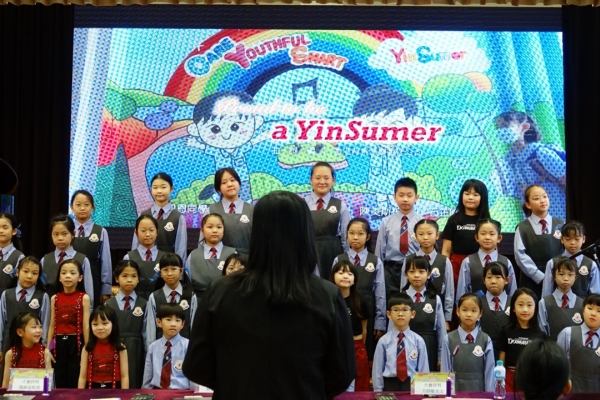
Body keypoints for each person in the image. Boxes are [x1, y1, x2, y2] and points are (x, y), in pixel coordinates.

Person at [183, 190, 355, 399]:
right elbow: (342, 374)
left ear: (256, 233)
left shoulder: (220, 291)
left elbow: (197, 366)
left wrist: (233, 383)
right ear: (306, 234)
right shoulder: (327, 296)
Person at [332, 217, 386, 359]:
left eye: (360, 233)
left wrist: (380, 322)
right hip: (344, 308)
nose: (355, 237)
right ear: (346, 235)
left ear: (368, 237)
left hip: (367, 311)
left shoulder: (375, 261)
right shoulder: (339, 259)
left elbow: (380, 294)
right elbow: (332, 289)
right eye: (351, 233)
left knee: (365, 353)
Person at [401, 219, 454, 329]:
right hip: (411, 313)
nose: (425, 237)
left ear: (437, 235)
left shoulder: (444, 261)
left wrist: (447, 318)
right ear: (415, 236)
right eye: (421, 234)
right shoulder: (408, 260)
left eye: (430, 233)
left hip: (437, 314)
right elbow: (403, 289)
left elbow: (449, 293)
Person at [376, 178, 422, 302]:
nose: (405, 199)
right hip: (391, 270)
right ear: (394, 197)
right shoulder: (386, 222)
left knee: (412, 302)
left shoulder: (421, 222)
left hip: (414, 269)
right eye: (401, 195)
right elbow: (380, 251)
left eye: (409, 195)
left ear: (416, 197)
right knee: (391, 302)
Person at [514, 185, 564, 300]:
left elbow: (567, 251)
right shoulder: (522, 227)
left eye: (545, 196)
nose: (542, 200)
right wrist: (541, 277)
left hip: (558, 278)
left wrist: (559, 275)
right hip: (531, 281)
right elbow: (520, 256)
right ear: (528, 204)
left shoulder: (561, 224)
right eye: (536, 198)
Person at [47, 259, 91, 388]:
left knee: (74, 375)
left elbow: (86, 326)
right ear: (59, 278)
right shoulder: (54, 298)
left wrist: (87, 348)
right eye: (64, 273)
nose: (67, 276)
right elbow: (52, 325)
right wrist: (48, 349)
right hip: (58, 342)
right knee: (59, 376)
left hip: (76, 342)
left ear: (80, 278)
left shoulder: (84, 297)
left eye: (72, 273)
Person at [372, 293, 428, 392]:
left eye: (405, 310)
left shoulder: (418, 341)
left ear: (412, 314)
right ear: (389, 314)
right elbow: (377, 370)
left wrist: (424, 390)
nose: (400, 314)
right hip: (390, 384)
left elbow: (423, 368)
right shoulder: (383, 341)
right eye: (396, 310)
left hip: (412, 383)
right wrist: (378, 391)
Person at [442, 179, 491, 291]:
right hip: (456, 265)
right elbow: (446, 250)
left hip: (481, 264)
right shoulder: (453, 220)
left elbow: (493, 249)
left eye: (475, 195)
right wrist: (445, 270)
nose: (470, 198)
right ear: (461, 196)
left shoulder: (486, 222)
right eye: (467, 194)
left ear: (482, 198)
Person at [105, 260, 147, 388]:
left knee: (135, 380)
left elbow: (146, 331)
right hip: (115, 347)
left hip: (137, 349)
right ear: (117, 279)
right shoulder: (109, 304)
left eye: (134, 276)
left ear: (138, 279)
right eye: (125, 276)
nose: (129, 280)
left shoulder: (144, 303)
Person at [305, 162, 351, 279]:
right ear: (311, 180)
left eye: (326, 178)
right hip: (308, 253)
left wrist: (346, 261)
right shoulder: (302, 205)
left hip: (333, 253)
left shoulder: (341, 205)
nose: (322, 182)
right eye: (318, 178)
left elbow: (346, 238)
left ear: (333, 180)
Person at [400, 256, 446, 372]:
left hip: (429, 345)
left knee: (426, 380)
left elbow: (441, 330)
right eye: (412, 271)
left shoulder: (435, 299)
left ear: (429, 274)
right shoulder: (400, 298)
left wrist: (441, 356)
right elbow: (392, 329)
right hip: (405, 344)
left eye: (421, 272)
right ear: (406, 275)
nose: (416, 275)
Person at [441, 293, 494, 392]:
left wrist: (489, 395)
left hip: (479, 391)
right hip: (455, 391)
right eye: (464, 310)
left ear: (480, 313)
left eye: (473, 311)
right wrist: (446, 394)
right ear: (457, 311)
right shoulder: (448, 339)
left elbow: (489, 373)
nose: (469, 314)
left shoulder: (486, 340)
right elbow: (445, 370)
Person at [0, 257, 49, 363]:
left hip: (34, 346)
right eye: (26, 271)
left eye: (34, 273)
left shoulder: (42, 296)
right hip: (8, 343)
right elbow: (1, 322)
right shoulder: (6, 294)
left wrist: (44, 347)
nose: (29, 276)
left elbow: (45, 324)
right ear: (17, 272)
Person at [329, 260, 369, 392]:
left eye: (350, 274)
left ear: (354, 280)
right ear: (333, 276)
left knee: (359, 385)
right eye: (341, 273)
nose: (345, 276)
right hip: (335, 347)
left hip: (357, 347)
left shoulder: (360, 300)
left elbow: (364, 330)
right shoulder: (328, 300)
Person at [498, 288, 545, 393]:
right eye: (520, 305)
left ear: (535, 308)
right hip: (509, 378)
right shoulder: (505, 332)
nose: (525, 310)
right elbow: (501, 362)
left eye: (529, 305)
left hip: (532, 379)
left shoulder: (540, 335)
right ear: (513, 308)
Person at [70, 190, 113, 306]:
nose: (82, 208)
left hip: (94, 279)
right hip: (70, 279)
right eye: (78, 205)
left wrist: (106, 289)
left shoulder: (101, 231)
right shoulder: (67, 231)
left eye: (86, 204)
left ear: (92, 207)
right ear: (72, 207)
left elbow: (106, 261)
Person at [456, 219, 517, 300]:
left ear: (499, 238)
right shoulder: (468, 262)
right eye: (483, 234)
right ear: (477, 237)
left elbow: (512, 291)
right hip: (475, 306)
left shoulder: (506, 262)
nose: (487, 237)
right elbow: (462, 292)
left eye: (492, 234)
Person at [131, 172, 187, 260]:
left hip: (168, 265)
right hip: (146, 264)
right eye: (155, 187)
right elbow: (136, 245)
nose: (159, 191)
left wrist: (179, 266)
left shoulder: (178, 217)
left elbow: (181, 248)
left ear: (171, 189)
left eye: (163, 187)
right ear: (151, 189)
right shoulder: (144, 215)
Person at [41, 215, 94, 306]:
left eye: (64, 234)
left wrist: (88, 309)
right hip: (50, 309)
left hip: (75, 309)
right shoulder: (44, 260)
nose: (60, 238)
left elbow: (88, 291)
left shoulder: (83, 260)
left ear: (73, 234)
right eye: (56, 234)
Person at [146, 253, 197, 347]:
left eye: (173, 269)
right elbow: (150, 328)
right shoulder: (154, 297)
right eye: (165, 270)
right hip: (161, 347)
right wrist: (151, 349)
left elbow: (194, 326)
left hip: (185, 347)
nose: (169, 273)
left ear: (181, 271)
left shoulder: (191, 296)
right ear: (160, 273)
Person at [201, 168, 254, 255]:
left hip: (247, 259)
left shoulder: (253, 210)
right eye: (224, 182)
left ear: (239, 183)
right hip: (220, 260)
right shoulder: (211, 211)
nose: (229, 184)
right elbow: (203, 242)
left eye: (232, 180)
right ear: (218, 189)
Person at [541, 221, 599, 299]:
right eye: (568, 239)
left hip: (583, 305)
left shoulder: (591, 265)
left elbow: (595, 295)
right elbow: (547, 293)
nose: (572, 243)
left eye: (577, 239)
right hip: (557, 305)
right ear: (562, 239)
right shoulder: (552, 263)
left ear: (583, 239)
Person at [143, 304, 192, 390]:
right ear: (159, 322)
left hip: (182, 392)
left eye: (177, 320)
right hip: (158, 391)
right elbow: (147, 377)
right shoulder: (153, 347)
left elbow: (193, 377)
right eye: (168, 320)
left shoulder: (188, 346)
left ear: (182, 324)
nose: (173, 324)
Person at [557, 294, 600, 393]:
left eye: (599, 311)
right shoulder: (567, 333)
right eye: (590, 308)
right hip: (569, 392)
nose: (593, 314)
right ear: (583, 311)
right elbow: (557, 366)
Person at [78, 306, 129, 389]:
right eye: (95, 324)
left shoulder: (120, 348)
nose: (100, 328)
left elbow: (124, 376)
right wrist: (80, 394)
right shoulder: (87, 348)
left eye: (105, 323)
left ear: (113, 324)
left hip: (114, 390)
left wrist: (124, 394)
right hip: (91, 390)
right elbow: (82, 377)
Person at [186, 213, 235, 299]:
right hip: (199, 300)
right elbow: (187, 282)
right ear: (202, 231)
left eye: (219, 227)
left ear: (223, 230)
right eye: (210, 227)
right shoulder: (193, 255)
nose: (215, 230)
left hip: (226, 299)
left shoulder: (232, 254)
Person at [538, 257, 584, 341]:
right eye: (561, 274)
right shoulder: (544, 303)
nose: (566, 278)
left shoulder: (582, 304)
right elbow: (542, 333)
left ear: (575, 277)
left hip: (575, 348)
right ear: (554, 276)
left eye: (570, 274)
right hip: (551, 347)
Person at [1, 312, 51, 388]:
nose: (39, 330)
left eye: (40, 327)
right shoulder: (11, 354)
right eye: (34, 327)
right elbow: (5, 383)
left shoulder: (45, 352)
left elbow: (49, 384)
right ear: (20, 332)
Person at [124, 215, 166, 300]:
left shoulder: (164, 258)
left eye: (151, 230)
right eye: (143, 231)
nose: (147, 234)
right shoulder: (128, 258)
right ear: (136, 233)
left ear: (157, 232)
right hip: (135, 302)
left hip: (159, 302)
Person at [479, 261, 511, 361]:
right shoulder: (477, 303)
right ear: (484, 280)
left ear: (507, 280)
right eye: (489, 277)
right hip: (482, 350)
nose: (493, 281)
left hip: (509, 351)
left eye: (498, 277)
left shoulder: (515, 303)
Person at [0, 213, 25, 297]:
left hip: (8, 300)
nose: (1, 231)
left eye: (5, 227)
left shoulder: (19, 257)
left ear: (14, 231)